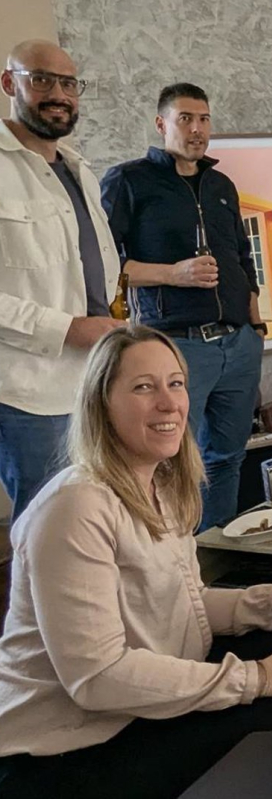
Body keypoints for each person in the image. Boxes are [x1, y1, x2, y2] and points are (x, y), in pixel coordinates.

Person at [0, 326, 272, 797]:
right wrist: (260, 678)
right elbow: (97, 679)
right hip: (68, 750)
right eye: (143, 387)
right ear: (101, 403)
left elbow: (184, 604)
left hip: (136, 704)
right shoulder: (74, 507)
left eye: (176, 384)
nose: (169, 403)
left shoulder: (160, 484)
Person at [102, 83, 267, 529]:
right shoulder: (128, 181)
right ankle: (172, 559)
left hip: (239, 345)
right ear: (162, 124)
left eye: (204, 119)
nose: (197, 129)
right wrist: (173, 273)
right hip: (177, 348)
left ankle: (215, 555)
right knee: (169, 465)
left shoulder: (221, 185)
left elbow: (243, 259)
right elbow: (103, 266)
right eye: (185, 119)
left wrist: (256, 329)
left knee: (228, 458)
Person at [0, 40, 123, 519]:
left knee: (99, 519)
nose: (59, 94)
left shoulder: (78, 170)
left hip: (94, 381)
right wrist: (66, 328)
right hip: (28, 395)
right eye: (41, 80)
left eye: (69, 84)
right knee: (49, 526)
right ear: (9, 83)